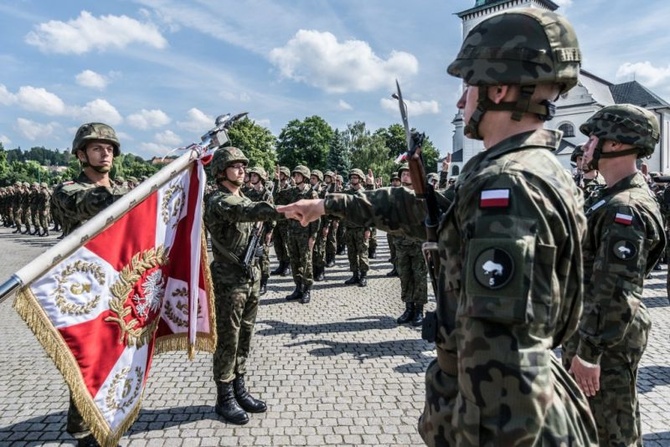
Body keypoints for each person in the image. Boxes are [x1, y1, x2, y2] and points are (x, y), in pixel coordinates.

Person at [278, 8, 598, 445]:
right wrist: (327, 203)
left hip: (501, 419)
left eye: (467, 86)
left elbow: (502, 364)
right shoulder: (525, 169)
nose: (459, 100)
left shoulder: (506, 187)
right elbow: (422, 210)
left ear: (499, 89)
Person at [562, 104, 665, 446]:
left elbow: (617, 290)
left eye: (594, 137)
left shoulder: (625, 207)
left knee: (610, 430)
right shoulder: (608, 196)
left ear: (617, 144)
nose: (587, 146)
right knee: (592, 425)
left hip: (607, 340)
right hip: (595, 330)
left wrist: (590, 353)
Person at [51, 122, 129, 447]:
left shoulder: (126, 188)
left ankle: (108, 417)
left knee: (116, 358)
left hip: (117, 288)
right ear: (81, 154)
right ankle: (83, 431)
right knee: (85, 361)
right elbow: (92, 202)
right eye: (97, 147)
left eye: (109, 148)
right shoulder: (68, 190)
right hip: (82, 291)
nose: (105, 152)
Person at [204, 147, 284, 425]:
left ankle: (239, 387)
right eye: (235, 165)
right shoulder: (218, 200)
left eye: (243, 165)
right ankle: (224, 396)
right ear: (221, 171)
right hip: (228, 280)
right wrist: (287, 210)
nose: (241, 170)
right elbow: (247, 212)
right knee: (229, 337)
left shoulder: (244, 197)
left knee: (246, 334)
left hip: (249, 277)